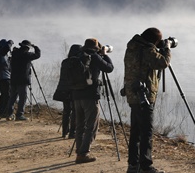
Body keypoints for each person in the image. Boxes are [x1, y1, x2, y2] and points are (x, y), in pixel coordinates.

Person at [123, 28, 171, 173]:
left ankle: (133, 165)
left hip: (132, 94)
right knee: (146, 132)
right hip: (144, 96)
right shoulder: (147, 50)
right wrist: (167, 49)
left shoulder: (132, 47)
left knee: (136, 131)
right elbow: (163, 63)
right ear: (153, 41)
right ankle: (146, 166)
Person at [73, 38, 114, 164]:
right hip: (90, 96)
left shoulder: (78, 55)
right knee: (92, 126)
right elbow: (109, 68)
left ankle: (79, 150)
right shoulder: (94, 56)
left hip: (76, 95)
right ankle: (83, 153)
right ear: (96, 47)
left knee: (80, 126)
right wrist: (105, 54)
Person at [7, 40, 41, 121]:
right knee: (22, 98)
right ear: (27, 48)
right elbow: (38, 55)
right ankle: (19, 114)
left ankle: (9, 114)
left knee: (12, 97)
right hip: (22, 80)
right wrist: (35, 47)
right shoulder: (27, 55)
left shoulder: (14, 54)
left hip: (13, 79)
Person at [53, 44, 82, 139]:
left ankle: (64, 132)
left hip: (63, 89)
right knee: (74, 111)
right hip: (73, 89)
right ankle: (72, 133)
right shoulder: (78, 62)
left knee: (66, 111)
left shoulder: (64, 62)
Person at [0, 39, 14, 118]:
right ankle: (5, 112)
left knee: (4, 95)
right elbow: (6, 48)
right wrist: (10, 42)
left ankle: (1, 112)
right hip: (4, 77)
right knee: (7, 95)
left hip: (3, 76)